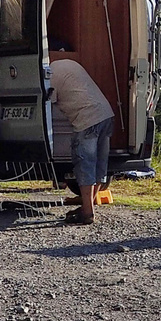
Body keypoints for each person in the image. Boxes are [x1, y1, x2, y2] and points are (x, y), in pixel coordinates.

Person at [47, 57, 113, 224]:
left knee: (85, 164)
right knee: (99, 164)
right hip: (106, 114)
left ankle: (87, 213)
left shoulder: (50, 74)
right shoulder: (70, 64)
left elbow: (47, 102)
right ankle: (88, 206)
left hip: (87, 119)